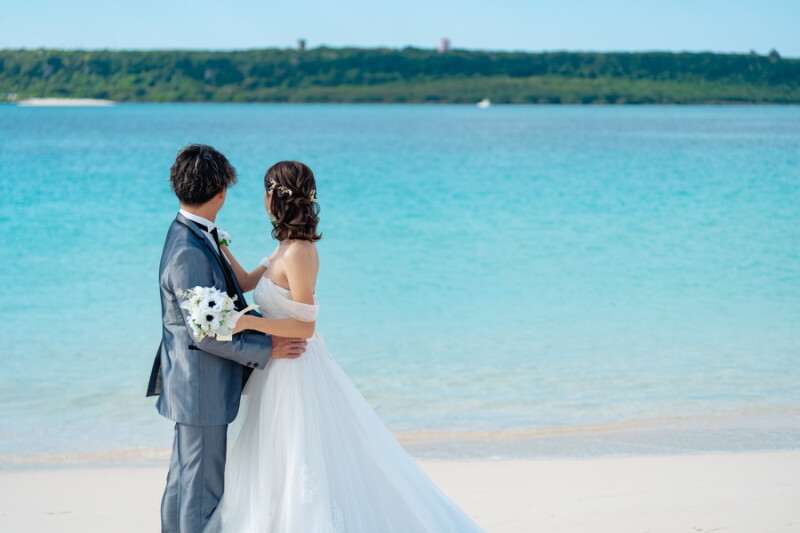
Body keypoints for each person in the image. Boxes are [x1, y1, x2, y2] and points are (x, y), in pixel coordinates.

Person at [203, 160, 485, 532]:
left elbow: (306, 325)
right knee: (274, 457)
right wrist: (217, 243)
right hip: (277, 367)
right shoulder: (283, 247)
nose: (262, 198)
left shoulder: (300, 252)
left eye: (265, 190)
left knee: (299, 454)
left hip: (296, 368)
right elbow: (244, 280)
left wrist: (248, 323)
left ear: (275, 196)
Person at [146, 144, 307, 533]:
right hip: (199, 385)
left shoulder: (191, 232)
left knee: (185, 483)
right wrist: (268, 347)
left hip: (190, 383)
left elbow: (225, 303)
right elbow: (206, 334)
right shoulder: (189, 250)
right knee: (202, 491)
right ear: (221, 192)